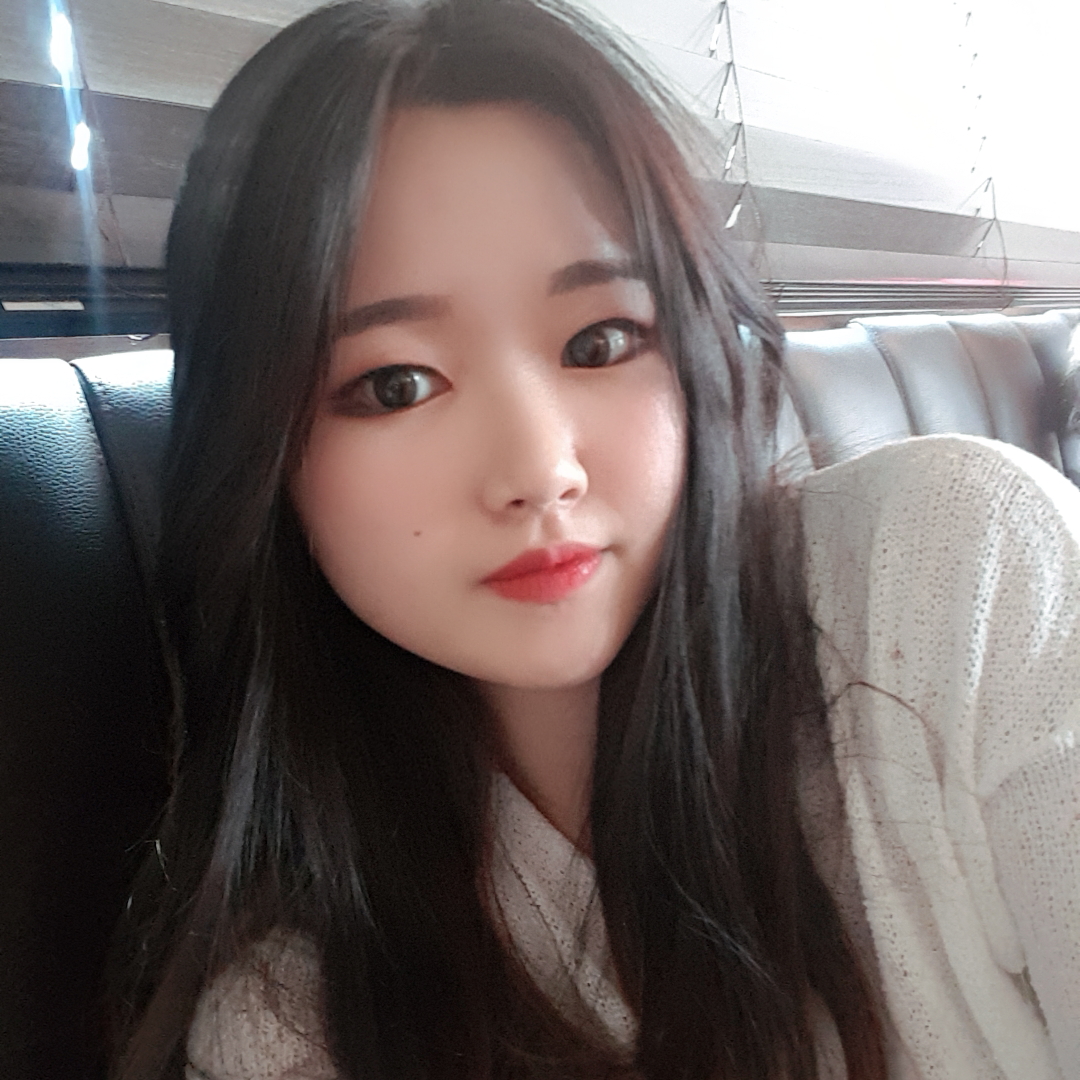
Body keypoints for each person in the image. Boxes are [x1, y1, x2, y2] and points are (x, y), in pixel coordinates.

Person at [109, 1, 1080, 1078]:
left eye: (601, 340)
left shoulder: (958, 577)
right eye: (395, 385)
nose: (540, 471)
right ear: (259, 456)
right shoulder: (299, 1028)